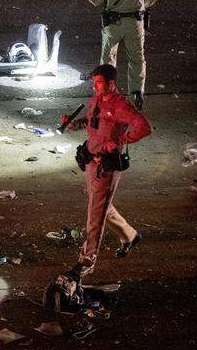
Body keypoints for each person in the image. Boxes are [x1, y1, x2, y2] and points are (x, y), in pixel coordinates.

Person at [60, 63, 152, 279]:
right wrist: (72, 124)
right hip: (91, 161)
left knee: (95, 214)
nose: (95, 87)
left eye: (99, 83)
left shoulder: (121, 105)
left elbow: (143, 127)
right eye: (94, 83)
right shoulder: (98, 100)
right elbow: (91, 123)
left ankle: (87, 260)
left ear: (112, 84)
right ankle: (130, 235)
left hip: (106, 165)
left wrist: (120, 141)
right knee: (100, 205)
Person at [81, 0, 158, 109]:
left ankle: (106, 92)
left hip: (114, 24)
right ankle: (137, 93)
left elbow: (96, 0)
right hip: (135, 23)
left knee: (108, 58)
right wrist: (140, 7)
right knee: (137, 59)